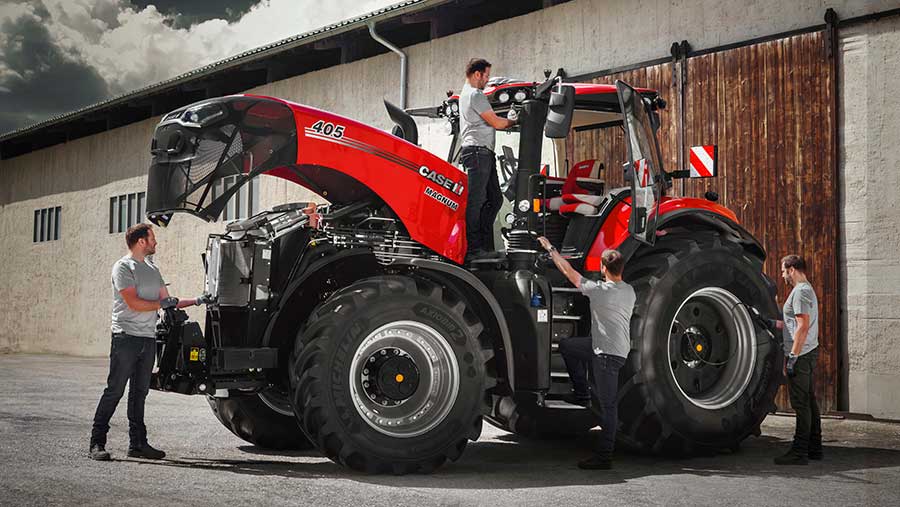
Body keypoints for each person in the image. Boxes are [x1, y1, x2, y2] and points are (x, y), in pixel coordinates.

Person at [89, 223, 211, 461]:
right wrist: (160, 305)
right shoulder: (123, 267)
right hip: (126, 337)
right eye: (152, 238)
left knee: (139, 393)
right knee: (115, 390)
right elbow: (134, 303)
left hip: (147, 338)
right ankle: (96, 443)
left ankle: (138, 444)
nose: (156, 242)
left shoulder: (153, 269)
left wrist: (197, 300)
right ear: (141, 241)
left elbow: (168, 300)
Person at [537, 237, 635, 470]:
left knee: (608, 407)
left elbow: (569, 272)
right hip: (613, 348)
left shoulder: (598, 291)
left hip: (606, 355)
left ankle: (604, 456)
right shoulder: (629, 291)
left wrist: (551, 249)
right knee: (568, 346)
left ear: (603, 268)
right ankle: (582, 392)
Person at [459, 58, 517, 262]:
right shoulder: (475, 95)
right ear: (477, 74)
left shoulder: (466, 94)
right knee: (476, 201)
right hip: (477, 152)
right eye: (486, 75)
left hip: (482, 152)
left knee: (495, 199)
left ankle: (484, 244)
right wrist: (516, 119)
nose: (487, 79)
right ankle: (474, 248)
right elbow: (497, 123)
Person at [772, 254, 821, 465]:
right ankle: (815, 447)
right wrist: (773, 323)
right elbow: (795, 324)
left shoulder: (800, 292)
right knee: (809, 401)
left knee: (801, 404)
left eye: (783, 271)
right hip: (807, 352)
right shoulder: (806, 290)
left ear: (792, 269)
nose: (783, 275)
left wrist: (792, 357)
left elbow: (802, 326)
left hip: (800, 355)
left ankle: (800, 451)